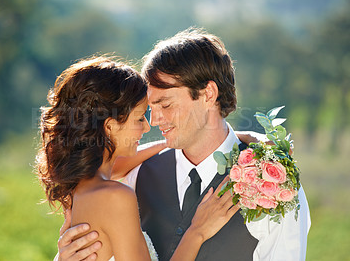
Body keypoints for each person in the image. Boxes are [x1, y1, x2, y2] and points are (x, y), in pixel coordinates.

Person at [56, 28, 311, 261]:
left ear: (208, 95)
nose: (154, 121)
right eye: (150, 108)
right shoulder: (136, 177)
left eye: (165, 105)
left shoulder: (274, 184)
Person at [36, 56, 240, 261]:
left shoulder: (81, 187)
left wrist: (180, 139)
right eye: (140, 118)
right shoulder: (116, 197)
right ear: (109, 126)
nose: (147, 126)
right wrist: (197, 232)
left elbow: (117, 166)